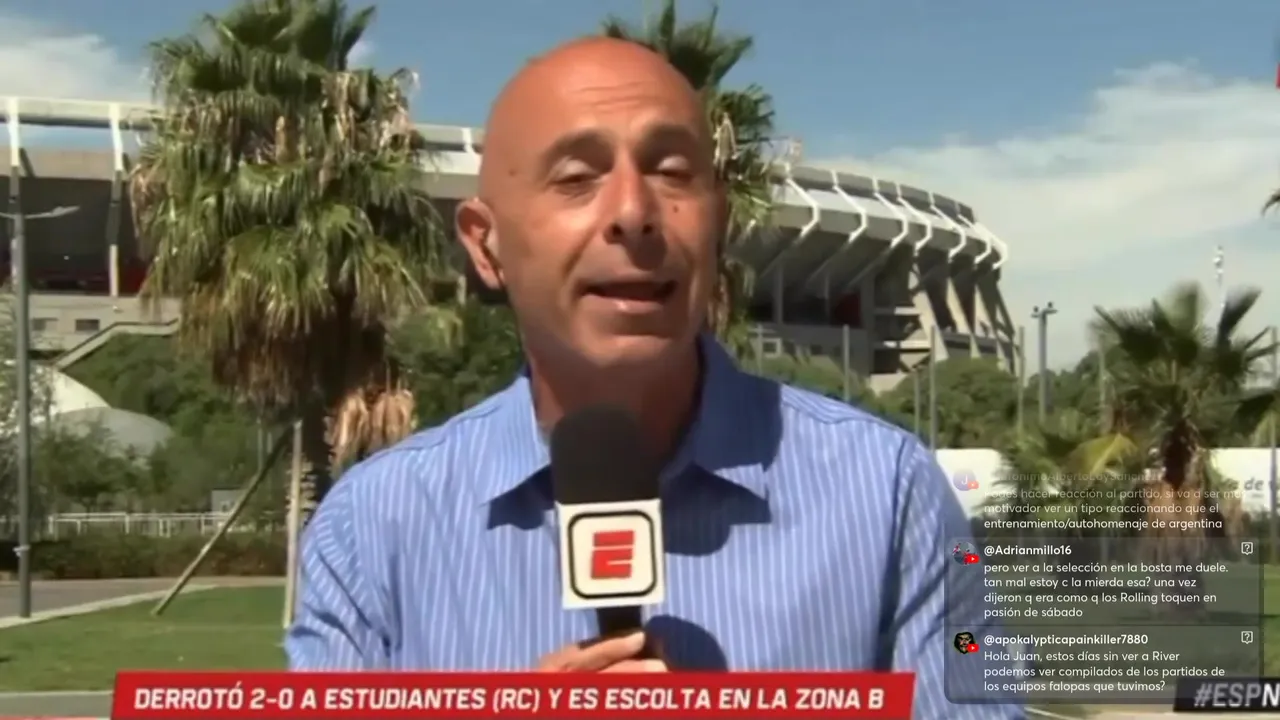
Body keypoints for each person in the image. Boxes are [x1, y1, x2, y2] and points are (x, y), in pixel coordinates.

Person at [286, 37, 1024, 718]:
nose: (634, 212)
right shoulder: (371, 530)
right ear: (486, 245)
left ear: (718, 221)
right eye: (576, 178)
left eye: (671, 171)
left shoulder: (893, 493)